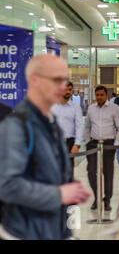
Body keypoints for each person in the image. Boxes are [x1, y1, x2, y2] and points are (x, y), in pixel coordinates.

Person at [0, 54, 90, 240]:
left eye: (64, 80)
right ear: (35, 80)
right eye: (56, 79)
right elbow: (7, 185)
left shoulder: (51, 123)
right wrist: (59, 194)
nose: (63, 86)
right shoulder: (16, 126)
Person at [85, 86, 119, 211]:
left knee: (108, 173)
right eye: (97, 95)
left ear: (106, 95)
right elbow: (87, 127)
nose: (99, 97)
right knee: (91, 171)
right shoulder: (91, 109)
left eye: (102, 95)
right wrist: (87, 141)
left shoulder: (114, 109)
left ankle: (107, 200)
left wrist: (116, 144)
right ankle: (97, 197)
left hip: (108, 143)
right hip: (93, 144)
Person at [51, 81, 84, 179]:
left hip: (69, 143)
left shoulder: (76, 108)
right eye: (66, 89)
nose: (68, 92)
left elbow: (79, 126)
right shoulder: (52, 107)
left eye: (70, 90)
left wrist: (77, 144)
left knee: (68, 172)